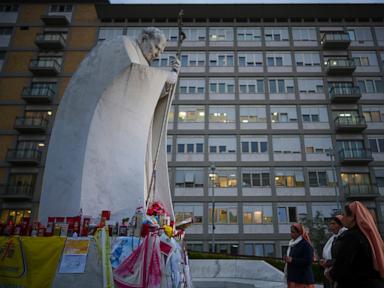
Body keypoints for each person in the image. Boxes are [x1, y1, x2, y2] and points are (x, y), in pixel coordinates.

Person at [39, 27, 180, 222]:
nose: (156, 55)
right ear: (144, 37)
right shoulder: (123, 47)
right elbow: (132, 76)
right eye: (156, 48)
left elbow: (141, 97)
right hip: (105, 137)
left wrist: (168, 84)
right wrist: (165, 77)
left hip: (126, 138)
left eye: (160, 52)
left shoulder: (141, 60)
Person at [326, 201, 384, 288]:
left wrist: (331, 274)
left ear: (352, 217)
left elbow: (342, 264)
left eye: (344, 215)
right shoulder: (367, 235)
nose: (342, 218)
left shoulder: (351, 236)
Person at [284, 223, 315, 288]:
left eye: (293, 232)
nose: (291, 233)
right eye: (291, 232)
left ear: (299, 233)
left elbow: (308, 261)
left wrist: (292, 260)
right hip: (293, 279)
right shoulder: (292, 244)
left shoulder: (305, 244)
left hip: (303, 280)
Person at [320, 215, 347, 288]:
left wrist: (327, 262)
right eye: (330, 224)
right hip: (330, 274)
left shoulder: (345, 237)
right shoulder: (333, 239)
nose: (331, 226)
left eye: (334, 224)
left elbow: (344, 259)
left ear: (341, 225)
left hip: (340, 276)